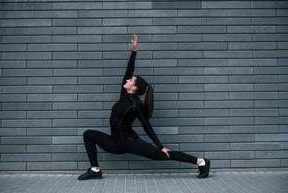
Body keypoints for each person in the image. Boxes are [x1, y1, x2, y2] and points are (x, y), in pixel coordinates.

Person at [78, 33, 210, 180]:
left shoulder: (136, 105)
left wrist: (160, 146)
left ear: (134, 88)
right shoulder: (124, 94)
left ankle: (201, 162)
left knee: (160, 155)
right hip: (114, 142)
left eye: (131, 80)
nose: (128, 79)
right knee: (88, 134)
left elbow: (147, 127)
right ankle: (95, 170)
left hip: (129, 142)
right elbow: (128, 70)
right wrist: (134, 51)